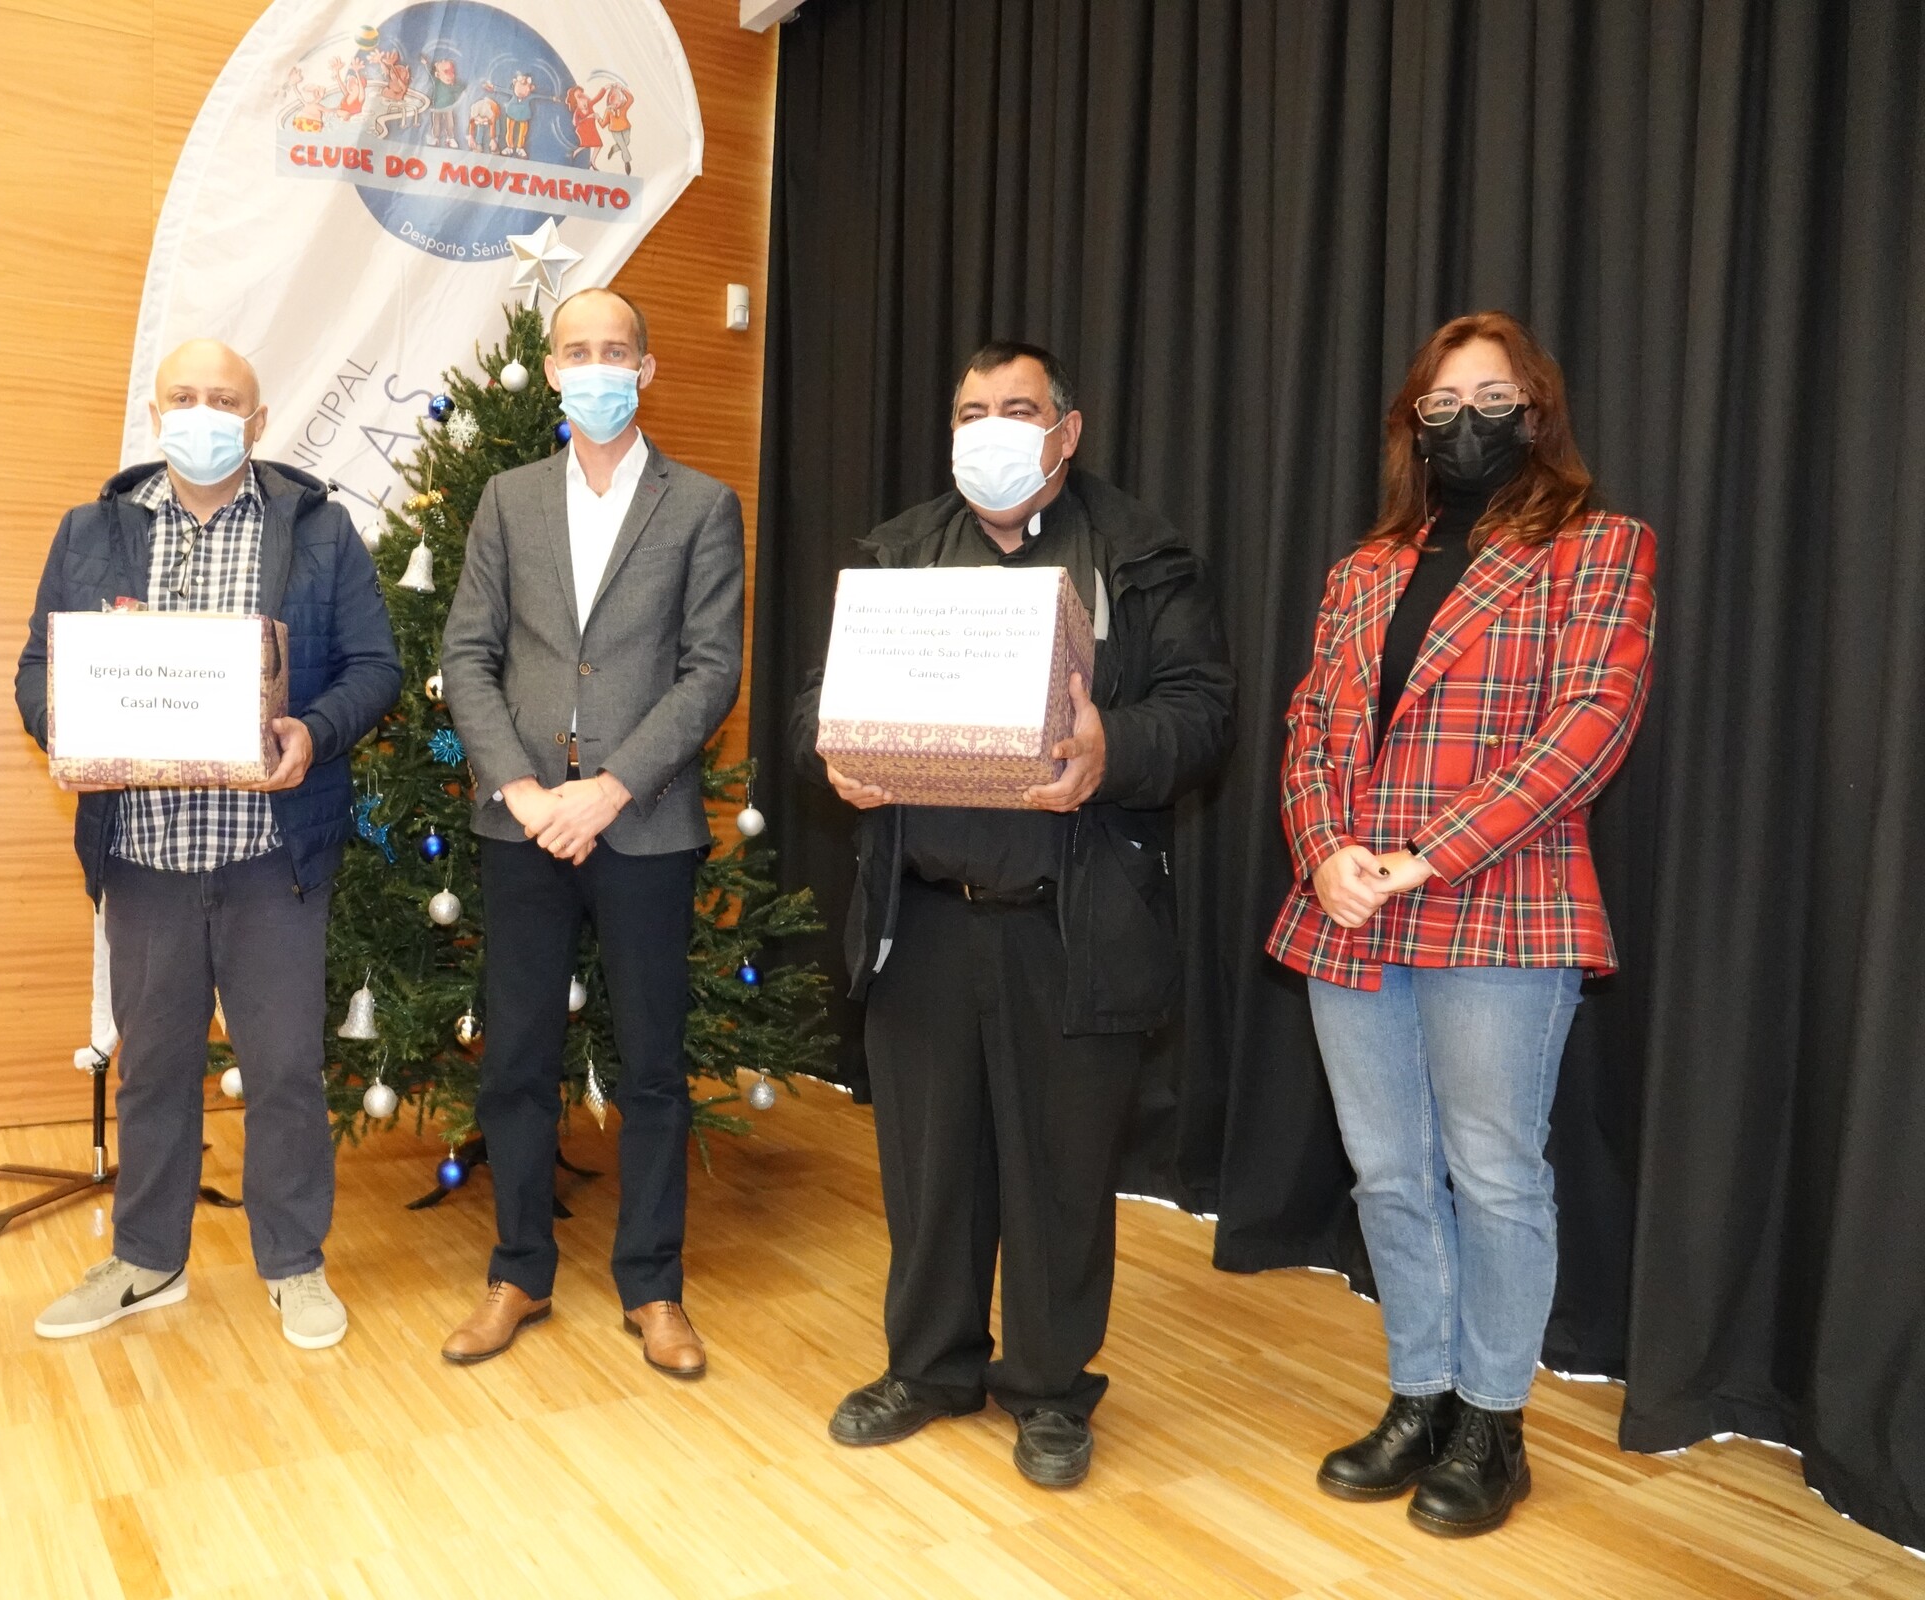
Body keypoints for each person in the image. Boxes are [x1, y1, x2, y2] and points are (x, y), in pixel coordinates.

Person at [790, 342, 1234, 1488]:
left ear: (1066, 432)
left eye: (1019, 408)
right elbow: (814, 702)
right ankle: (929, 1367)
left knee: (1061, 1177)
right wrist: (833, 749)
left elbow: (1204, 712)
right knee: (929, 1168)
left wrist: (1110, 744)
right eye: (972, 411)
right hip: (924, 917)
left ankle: (1048, 1387)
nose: (992, 428)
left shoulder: (1141, 555)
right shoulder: (896, 553)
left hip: (1071, 923)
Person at [1271, 311, 1656, 1536]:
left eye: (1493, 399)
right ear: (1412, 426)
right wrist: (1326, 852)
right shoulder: (1362, 568)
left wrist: (1424, 855)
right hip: (1352, 906)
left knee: (1493, 1174)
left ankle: (1493, 1421)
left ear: (1537, 412)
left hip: (1501, 902)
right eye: (1441, 406)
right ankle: (1421, 1394)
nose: (1466, 422)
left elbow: (1590, 727)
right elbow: (1312, 725)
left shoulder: (1599, 548)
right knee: (1389, 1171)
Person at [14, 339, 399, 1350]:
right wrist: (68, 732)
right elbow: (37, 668)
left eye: (224, 400)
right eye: (183, 396)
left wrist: (314, 731)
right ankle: (146, 1260)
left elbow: (375, 666)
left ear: (257, 422)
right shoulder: (91, 529)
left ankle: (294, 1262)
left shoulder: (318, 530)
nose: (202, 413)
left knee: (285, 1069)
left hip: (272, 854)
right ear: (155, 413)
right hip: (142, 853)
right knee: (152, 1069)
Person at [438, 287, 744, 1377]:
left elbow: (711, 671)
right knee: (517, 1061)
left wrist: (609, 790)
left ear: (647, 371)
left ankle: (654, 1287)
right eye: (579, 350)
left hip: (643, 824)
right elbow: (467, 655)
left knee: (653, 1066)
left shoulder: (701, 504)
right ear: (553, 370)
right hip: (521, 826)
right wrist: (524, 792)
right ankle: (518, 1271)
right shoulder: (507, 499)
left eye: (618, 350)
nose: (599, 366)